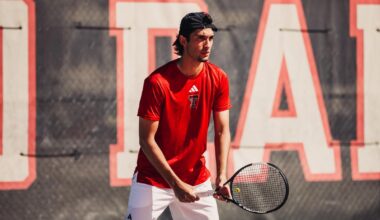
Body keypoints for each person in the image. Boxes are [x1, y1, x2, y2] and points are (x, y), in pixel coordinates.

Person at [126, 12, 232, 220]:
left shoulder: (219, 78)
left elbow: (222, 130)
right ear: (183, 40)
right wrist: (176, 184)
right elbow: (146, 141)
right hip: (153, 179)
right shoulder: (157, 83)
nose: (207, 44)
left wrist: (221, 176)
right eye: (200, 38)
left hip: (196, 179)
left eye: (210, 38)